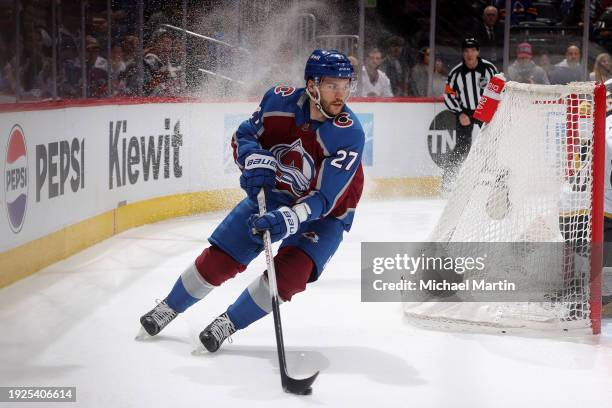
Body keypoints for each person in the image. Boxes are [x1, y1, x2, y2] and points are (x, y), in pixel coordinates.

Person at [139, 49, 365, 353]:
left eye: (345, 85)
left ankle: (228, 322)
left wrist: (289, 218)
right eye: (332, 86)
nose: (341, 94)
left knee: (289, 277)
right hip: (276, 195)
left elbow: (325, 197)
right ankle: (170, 306)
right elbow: (245, 135)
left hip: (326, 215)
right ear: (312, 85)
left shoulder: (349, 133)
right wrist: (252, 159)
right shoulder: (278, 102)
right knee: (222, 258)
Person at [443, 38, 498, 191]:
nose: (470, 54)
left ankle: (492, 178)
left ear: (478, 52)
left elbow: (500, 89)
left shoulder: (489, 69)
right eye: (466, 50)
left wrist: (492, 110)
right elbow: (448, 95)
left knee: (491, 144)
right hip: (465, 111)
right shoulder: (456, 73)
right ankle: (448, 181)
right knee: (462, 145)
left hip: (485, 110)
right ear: (463, 52)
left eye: (473, 50)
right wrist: (460, 112)